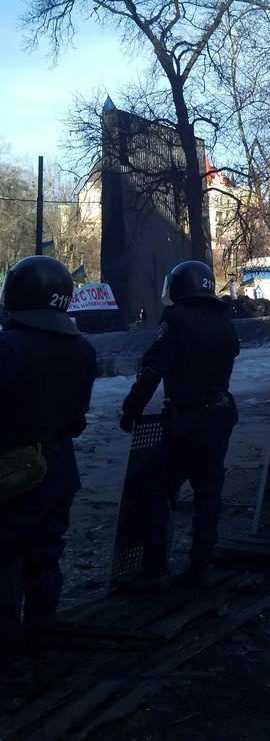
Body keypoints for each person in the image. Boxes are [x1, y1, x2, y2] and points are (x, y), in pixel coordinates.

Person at [0, 256, 96, 697]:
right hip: (60, 471)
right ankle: (42, 648)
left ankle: (12, 667)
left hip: (11, 477)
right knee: (45, 562)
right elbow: (77, 421)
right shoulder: (82, 349)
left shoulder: (8, 347)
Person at [120, 260, 239, 590]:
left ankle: (155, 569)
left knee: (154, 487)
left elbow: (152, 370)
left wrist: (132, 408)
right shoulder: (222, 318)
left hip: (189, 420)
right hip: (221, 413)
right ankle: (201, 563)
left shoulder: (175, 319)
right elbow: (234, 350)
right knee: (208, 491)